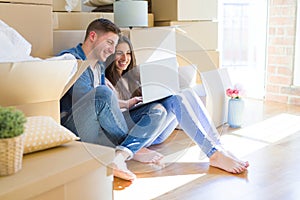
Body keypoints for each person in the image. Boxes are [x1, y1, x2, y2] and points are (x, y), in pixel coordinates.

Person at [105, 35, 250, 174]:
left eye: (128, 53)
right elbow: (110, 113)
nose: (125, 58)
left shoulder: (134, 77)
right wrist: (128, 104)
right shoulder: (105, 80)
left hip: (154, 130)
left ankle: (218, 147)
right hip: (131, 132)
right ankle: (214, 154)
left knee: (184, 94)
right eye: (119, 53)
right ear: (112, 54)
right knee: (173, 101)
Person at [57, 18, 168, 181]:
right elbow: (92, 100)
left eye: (114, 45)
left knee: (158, 111)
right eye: (109, 42)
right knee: (102, 92)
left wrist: (126, 105)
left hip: (101, 129)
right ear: (92, 36)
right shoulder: (72, 59)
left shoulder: (99, 66)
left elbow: (104, 107)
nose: (111, 50)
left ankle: (121, 154)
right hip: (78, 129)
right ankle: (134, 149)